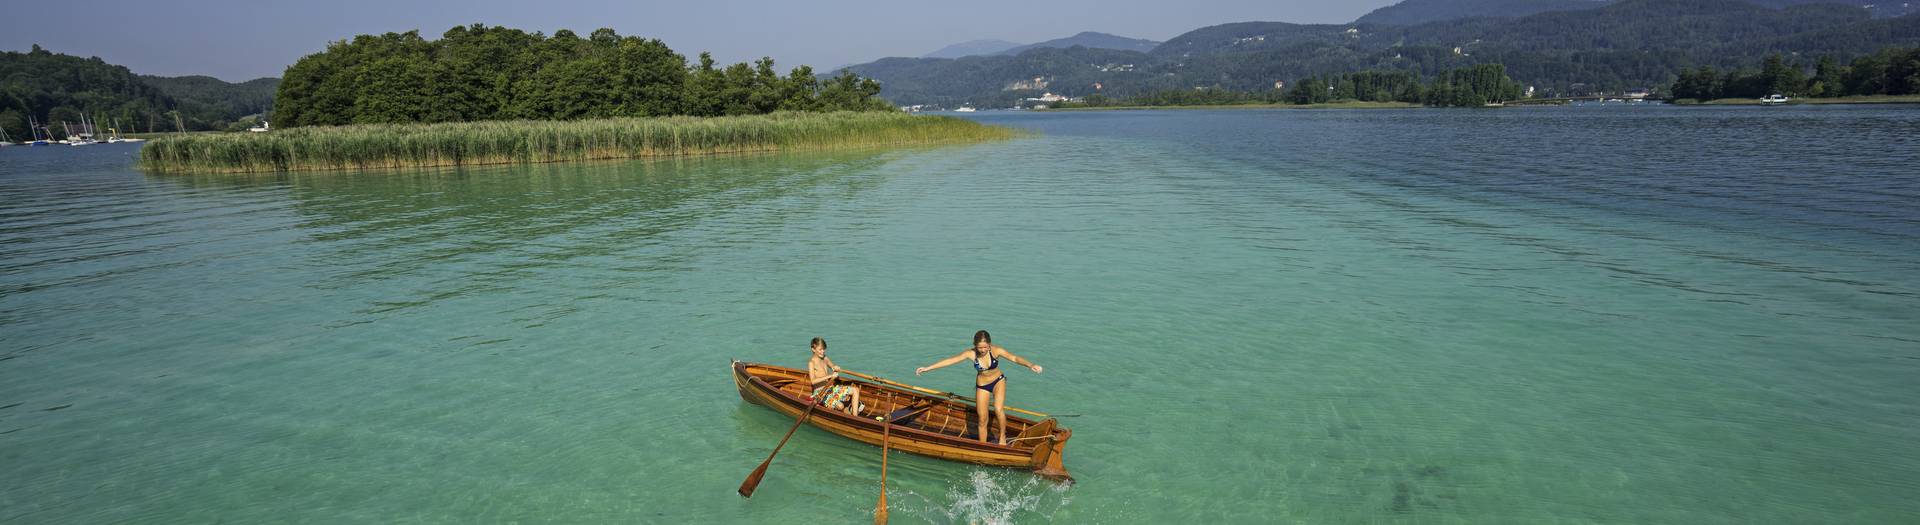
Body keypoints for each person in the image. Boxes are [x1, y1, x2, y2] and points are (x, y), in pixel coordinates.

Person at [916, 330, 1042, 445]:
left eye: (985, 347)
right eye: (979, 347)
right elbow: (950, 360)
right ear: (975, 345)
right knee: (982, 418)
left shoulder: (996, 350)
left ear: (989, 344)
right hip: (982, 386)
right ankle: (982, 445)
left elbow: (1014, 358)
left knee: (998, 409)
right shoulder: (970, 354)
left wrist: (1031, 365)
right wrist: (927, 368)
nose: (982, 350)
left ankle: (1002, 436)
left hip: (998, 381)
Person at [807, 337, 862, 415]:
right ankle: (846, 410)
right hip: (820, 394)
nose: (822, 352)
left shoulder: (824, 357)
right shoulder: (811, 363)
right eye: (820, 349)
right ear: (813, 349)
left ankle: (855, 418)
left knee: (855, 390)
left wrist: (835, 367)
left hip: (831, 388)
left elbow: (832, 366)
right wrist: (829, 376)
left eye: (824, 349)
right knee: (840, 406)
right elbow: (813, 381)